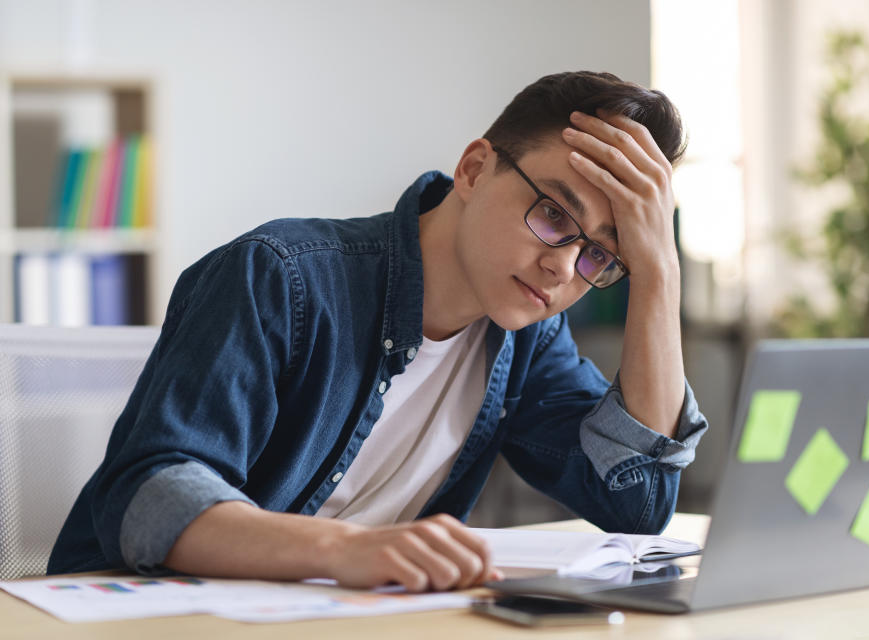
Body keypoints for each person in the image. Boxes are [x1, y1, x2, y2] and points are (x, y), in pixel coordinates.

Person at [48, 71, 708, 592]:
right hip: (134, 615)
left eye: (601, 255)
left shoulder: (526, 336)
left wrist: (659, 271)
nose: (563, 265)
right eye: (553, 212)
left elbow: (638, 501)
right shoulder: (281, 277)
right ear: (475, 169)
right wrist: (349, 549)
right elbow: (149, 493)